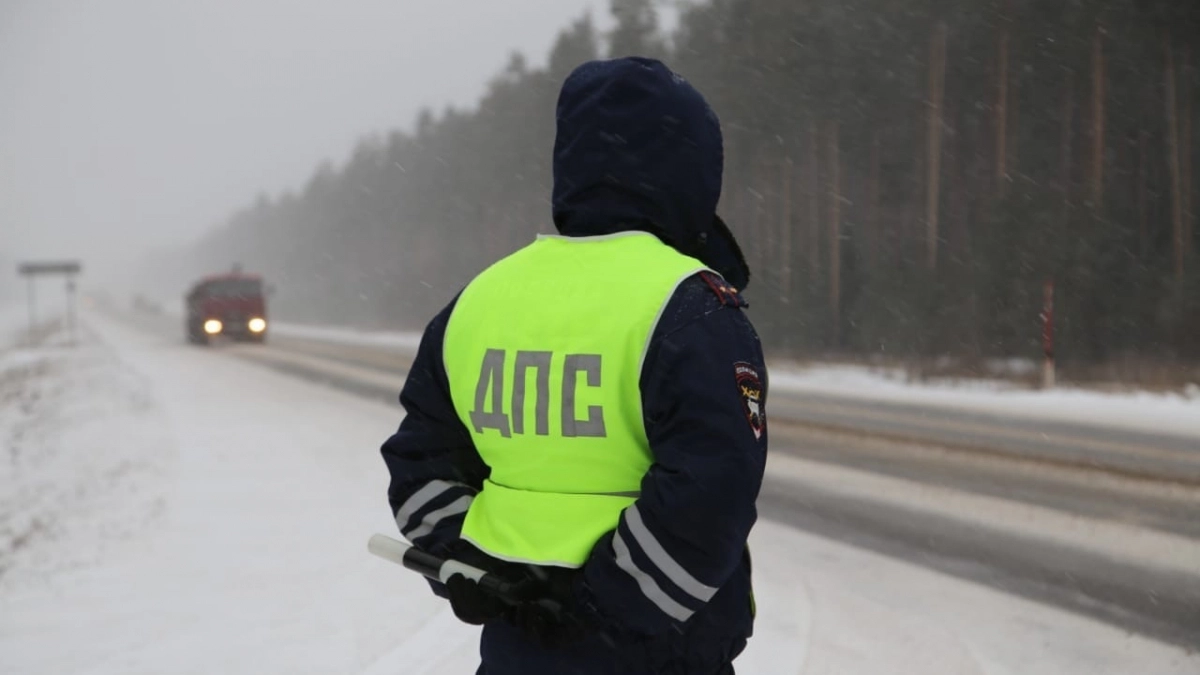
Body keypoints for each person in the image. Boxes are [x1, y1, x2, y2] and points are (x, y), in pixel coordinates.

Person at [380, 56, 768, 675]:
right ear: (693, 171)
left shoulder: (481, 297)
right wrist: (604, 609)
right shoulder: (692, 306)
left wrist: (473, 568)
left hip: (517, 646)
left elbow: (420, 457)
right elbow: (712, 488)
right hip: (658, 653)